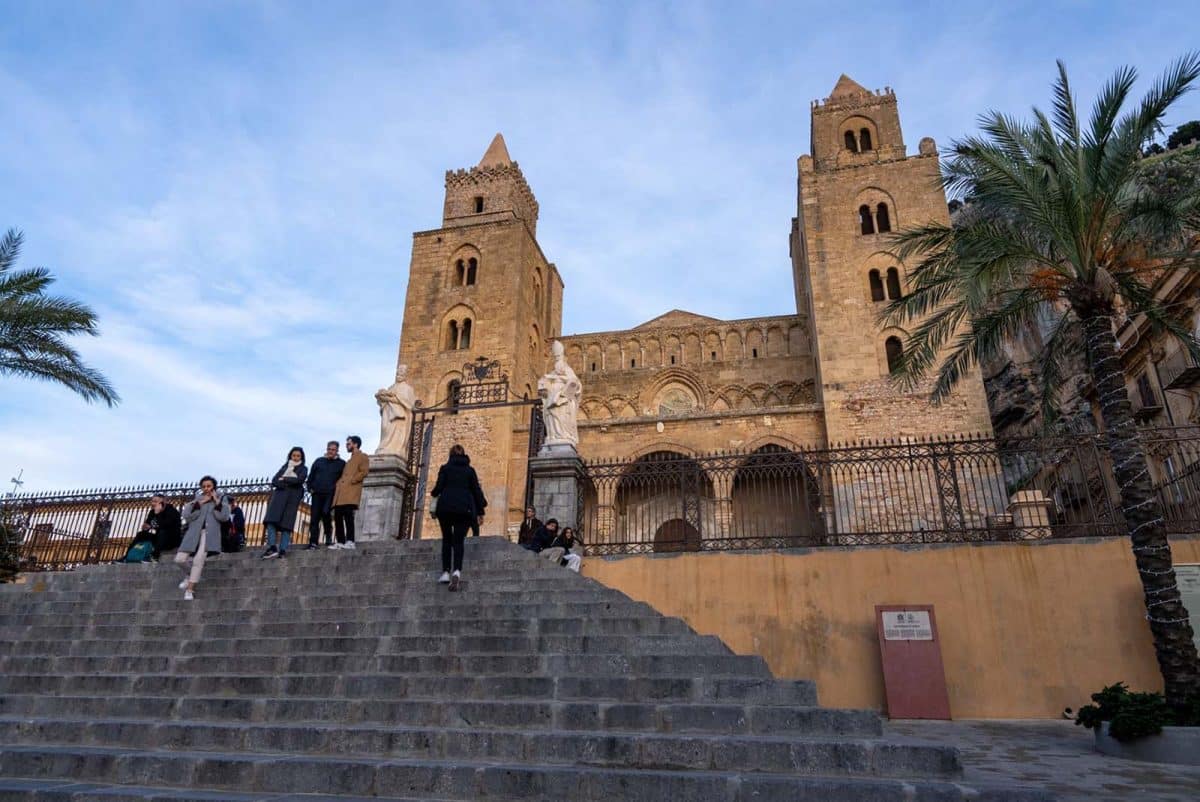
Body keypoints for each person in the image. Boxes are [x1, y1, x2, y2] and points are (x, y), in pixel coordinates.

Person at [430, 443, 486, 591]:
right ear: (464, 455)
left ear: (450, 454)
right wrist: (481, 511)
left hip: (446, 508)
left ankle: (446, 572)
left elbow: (438, 488)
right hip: (464, 509)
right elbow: (476, 491)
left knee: (447, 539)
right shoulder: (469, 471)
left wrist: (433, 492)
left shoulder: (445, 468)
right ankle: (457, 571)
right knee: (459, 541)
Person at [177, 476, 231, 600]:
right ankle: (190, 575)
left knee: (198, 560)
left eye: (209, 486)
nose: (206, 489)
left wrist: (216, 501)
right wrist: (199, 503)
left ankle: (190, 590)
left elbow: (223, 517)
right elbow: (188, 516)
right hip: (193, 533)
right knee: (179, 559)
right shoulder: (197, 499)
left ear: (214, 487)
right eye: (204, 486)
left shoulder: (222, 499)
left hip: (209, 534)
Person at [261, 447, 308, 560]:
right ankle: (272, 547)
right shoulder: (284, 467)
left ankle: (282, 550)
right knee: (270, 522)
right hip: (279, 498)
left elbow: (299, 480)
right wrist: (285, 481)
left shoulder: (303, 468)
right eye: (293, 455)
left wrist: (284, 479)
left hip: (292, 499)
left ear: (301, 457)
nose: (295, 457)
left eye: (298, 456)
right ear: (290, 456)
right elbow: (274, 480)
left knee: (286, 526)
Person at [331, 435, 369, 550]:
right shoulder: (349, 460)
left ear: (355, 444)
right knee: (338, 516)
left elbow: (364, 471)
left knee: (348, 516)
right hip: (341, 492)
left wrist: (353, 480)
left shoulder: (362, 456)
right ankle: (341, 541)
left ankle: (350, 541)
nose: (347, 446)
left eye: (349, 444)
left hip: (351, 491)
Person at [306, 441, 344, 549]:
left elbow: (343, 479)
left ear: (337, 451)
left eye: (333, 450)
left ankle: (328, 536)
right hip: (317, 493)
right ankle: (313, 542)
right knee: (314, 518)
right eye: (329, 449)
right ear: (327, 449)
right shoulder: (319, 461)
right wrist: (310, 488)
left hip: (330, 494)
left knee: (326, 513)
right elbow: (311, 476)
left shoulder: (341, 464)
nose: (331, 451)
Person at [139, 494, 181, 560]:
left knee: (163, 532)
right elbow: (147, 526)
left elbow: (165, 526)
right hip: (158, 538)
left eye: (155, 501)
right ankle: (130, 554)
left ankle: (155, 556)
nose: (152, 503)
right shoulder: (152, 512)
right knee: (141, 534)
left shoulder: (172, 511)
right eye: (152, 501)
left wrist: (158, 514)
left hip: (171, 540)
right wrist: (145, 527)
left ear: (163, 503)